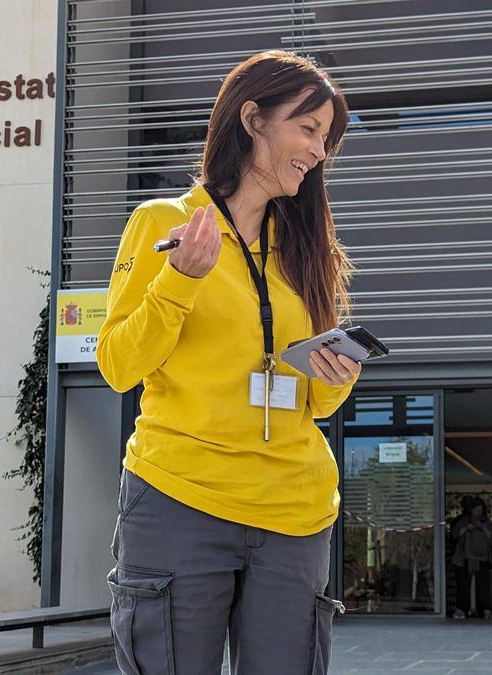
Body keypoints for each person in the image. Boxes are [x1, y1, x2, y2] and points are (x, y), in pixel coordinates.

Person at [98, 50, 360, 675]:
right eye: (308, 129)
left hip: (295, 510)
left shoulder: (307, 249)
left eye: (326, 138)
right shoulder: (164, 223)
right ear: (253, 118)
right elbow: (117, 365)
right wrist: (178, 282)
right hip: (180, 498)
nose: (319, 151)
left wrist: (335, 378)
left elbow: (314, 403)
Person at [451, 498, 492, 619]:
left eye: (480, 511)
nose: (478, 514)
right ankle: (461, 609)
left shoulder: (486, 522)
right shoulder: (463, 521)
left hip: (483, 558)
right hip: (464, 558)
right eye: (476, 511)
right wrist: (468, 528)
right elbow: (455, 535)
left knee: (484, 586)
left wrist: (483, 527)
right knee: (463, 585)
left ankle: (486, 610)